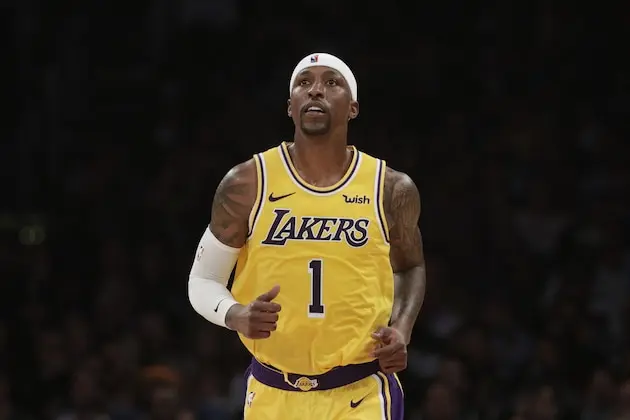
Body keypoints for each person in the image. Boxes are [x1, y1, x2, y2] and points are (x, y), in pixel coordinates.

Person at [188, 52, 426, 420]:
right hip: (272, 392)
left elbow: (410, 267)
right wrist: (234, 314)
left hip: (360, 390)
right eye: (304, 83)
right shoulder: (247, 183)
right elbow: (203, 280)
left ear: (353, 107)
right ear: (290, 106)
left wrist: (402, 329)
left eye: (331, 82)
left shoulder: (390, 188)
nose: (315, 90)